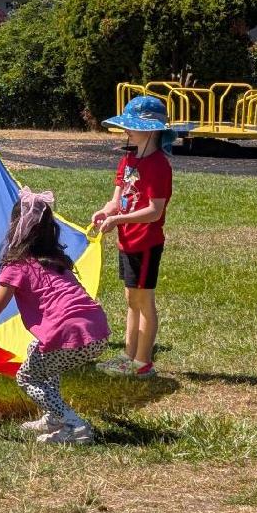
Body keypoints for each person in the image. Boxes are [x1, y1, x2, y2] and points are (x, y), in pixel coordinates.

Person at [0, 188, 110, 444]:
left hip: (69, 334)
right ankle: (53, 415)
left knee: (27, 376)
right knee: (38, 352)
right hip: (97, 331)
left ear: (16, 228)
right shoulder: (56, 260)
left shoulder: (17, 267)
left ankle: (75, 426)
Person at [90, 96, 175, 380]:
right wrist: (105, 212)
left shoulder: (159, 165)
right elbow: (117, 200)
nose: (127, 130)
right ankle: (129, 356)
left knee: (144, 301)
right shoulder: (127, 160)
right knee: (131, 299)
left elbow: (154, 211)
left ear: (151, 129)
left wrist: (119, 220)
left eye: (133, 126)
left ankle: (143, 362)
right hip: (127, 241)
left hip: (146, 243)